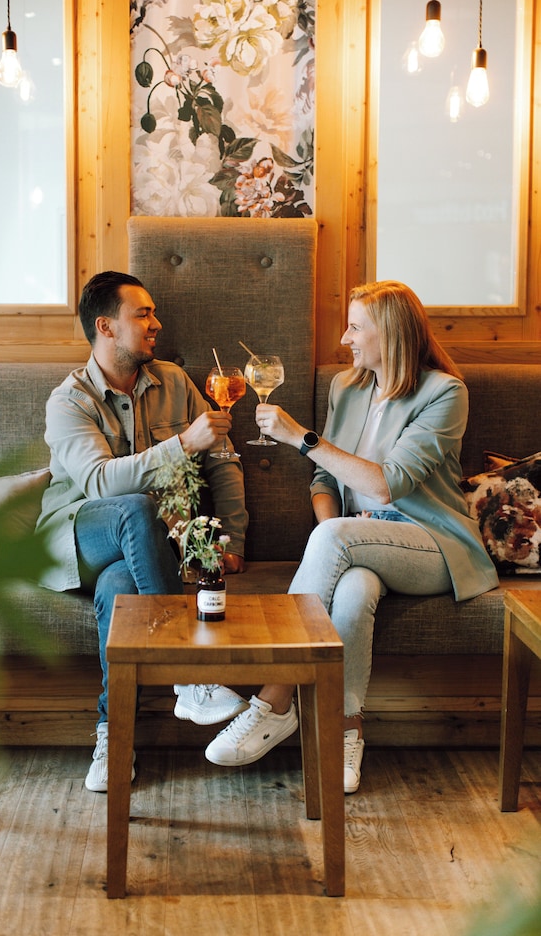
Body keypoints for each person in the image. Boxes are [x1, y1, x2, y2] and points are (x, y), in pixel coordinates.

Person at [202, 280, 498, 794]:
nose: (345, 339)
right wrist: (332, 535)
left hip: (430, 543)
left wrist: (300, 437)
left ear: (393, 334)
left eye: (356, 327)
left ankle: (273, 699)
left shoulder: (445, 394)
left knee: (343, 544)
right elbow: (325, 481)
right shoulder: (347, 387)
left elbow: (388, 483)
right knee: (355, 589)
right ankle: (345, 729)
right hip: (359, 539)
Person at [36, 271, 249, 792]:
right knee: (134, 505)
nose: (157, 323)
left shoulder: (175, 382)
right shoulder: (68, 402)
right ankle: (188, 672)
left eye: (154, 313)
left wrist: (236, 541)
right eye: (143, 314)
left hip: (137, 552)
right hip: (75, 535)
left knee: (120, 591)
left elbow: (223, 459)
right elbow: (100, 483)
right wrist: (183, 445)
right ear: (106, 327)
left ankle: (113, 737)